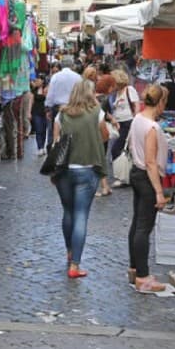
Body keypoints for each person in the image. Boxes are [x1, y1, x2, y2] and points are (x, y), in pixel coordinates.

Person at [52, 80, 108, 279]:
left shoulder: (62, 114)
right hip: (87, 169)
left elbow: (56, 141)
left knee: (68, 211)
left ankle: (69, 251)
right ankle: (75, 264)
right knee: (81, 215)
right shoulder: (96, 113)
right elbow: (105, 135)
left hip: (64, 170)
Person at [127, 84, 170, 293]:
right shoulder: (152, 127)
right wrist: (159, 192)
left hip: (136, 173)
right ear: (160, 102)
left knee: (137, 224)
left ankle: (135, 270)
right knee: (144, 227)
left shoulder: (138, 119)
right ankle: (143, 278)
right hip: (146, 177)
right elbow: (151, 162)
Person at [45, 56, 82, 122]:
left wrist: (48, 108)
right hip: (73, 109)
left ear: (61, 65)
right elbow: (81, 94)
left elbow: (50, 94)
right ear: (72, 65)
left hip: (58, 109)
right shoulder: (78, 77)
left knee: (56, 130)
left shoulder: (55, 76)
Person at [31, 76, 49, 157]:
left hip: (44, 112)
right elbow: (31, 101)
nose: (37, 81)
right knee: (38, 130)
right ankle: (40, 148)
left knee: (44, 130)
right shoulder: (34, 90)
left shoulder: (47, 89)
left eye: (38, 80)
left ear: (42, 81)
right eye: (36, 80)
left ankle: (42, 146)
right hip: (36, 112)